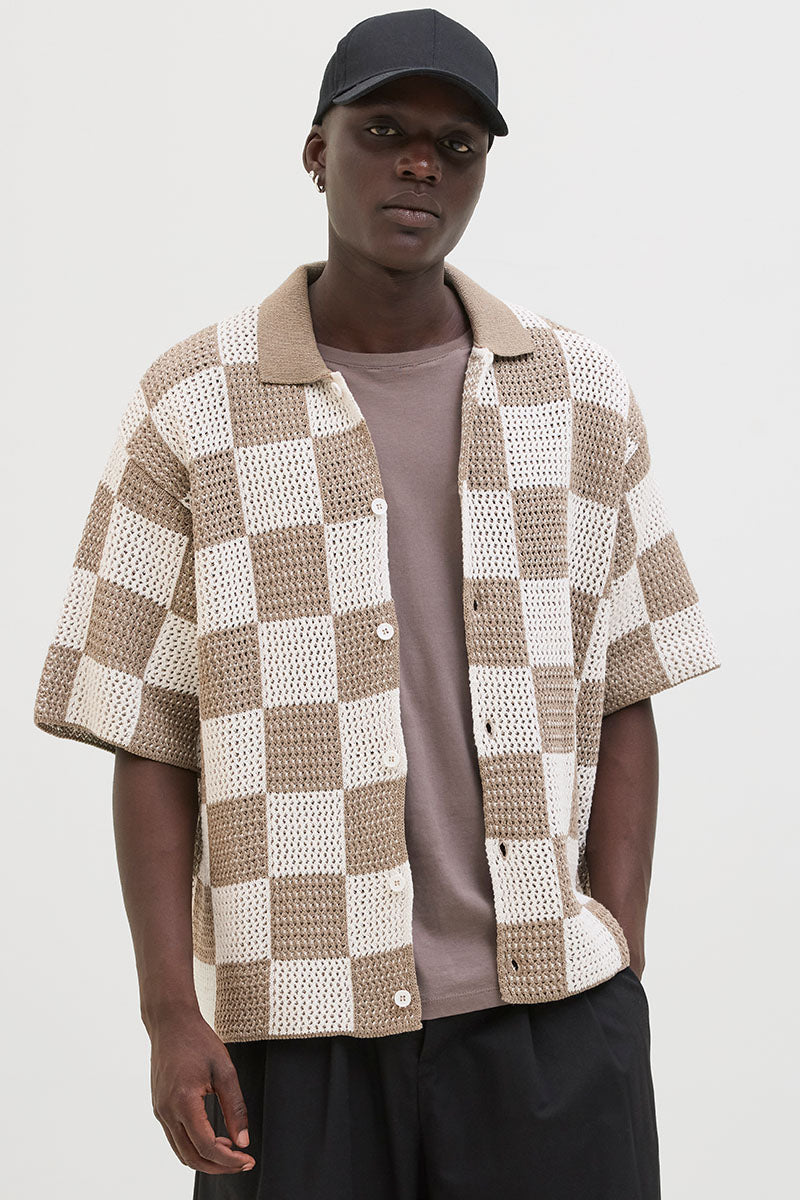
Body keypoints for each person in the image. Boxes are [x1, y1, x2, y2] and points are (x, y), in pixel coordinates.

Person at [33, 9, 721, 1199]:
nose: (420, 166)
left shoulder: (580, 396)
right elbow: (149, 731)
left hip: (549, 1023)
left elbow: (625, 687)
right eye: (385, 132)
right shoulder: (192, 405)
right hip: (298, 1029)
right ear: (317, 152)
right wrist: (168, 1012)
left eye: (456, 147)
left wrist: (617, 952)